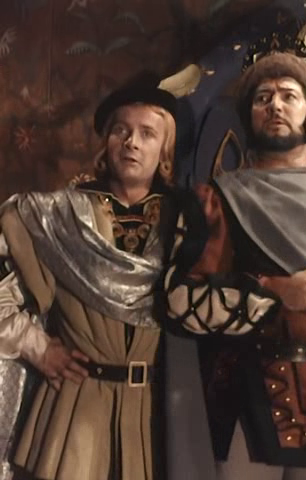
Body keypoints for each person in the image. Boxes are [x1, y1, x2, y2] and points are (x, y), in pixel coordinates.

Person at [165, 49, 306, 480]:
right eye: (263, 98)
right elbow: (183, 299)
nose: (275, 105)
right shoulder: (219, 199)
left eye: (288, 96)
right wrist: (277, 291)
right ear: (249, 116)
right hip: (251, 391)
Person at [0, 75, 178, 480]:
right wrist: (38, 347)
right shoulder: (57, 218)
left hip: (155, 416)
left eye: (147, 134)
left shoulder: (187, 223)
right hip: (72, 410)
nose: (132, 143)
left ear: (165, 150)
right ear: (106, 142)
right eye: (121, 131)